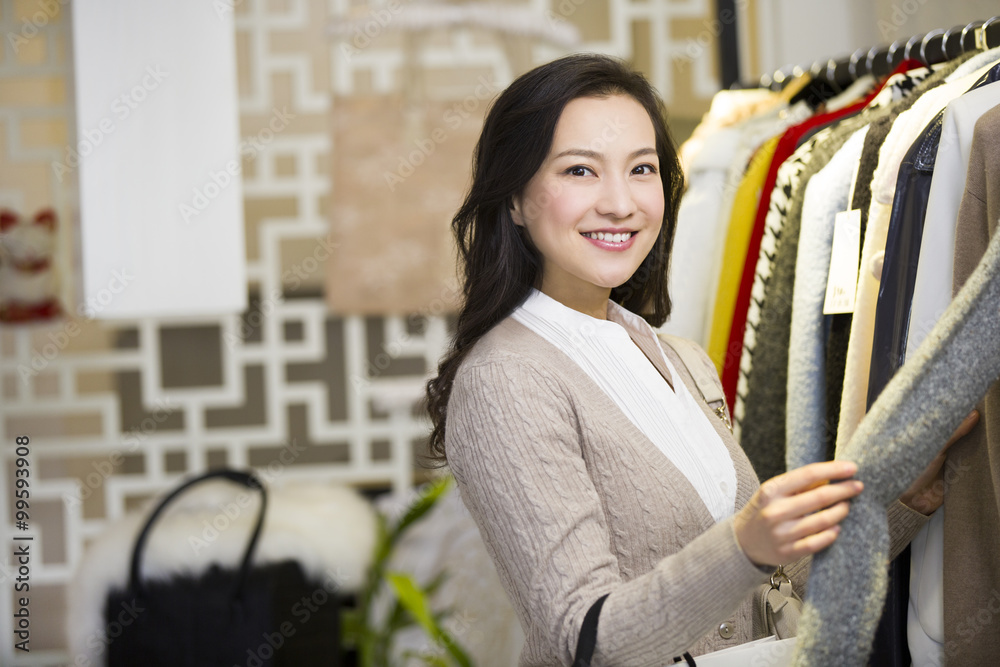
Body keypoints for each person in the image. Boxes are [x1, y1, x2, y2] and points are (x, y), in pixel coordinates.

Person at [424, 53, 977, 665]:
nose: (620, 203)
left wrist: (900, 502)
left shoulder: (680, 359)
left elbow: (766, 593)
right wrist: (745, 544)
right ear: (515, 199)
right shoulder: (507, 380)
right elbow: (582, 638)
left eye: (642, 169)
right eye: (580, 170)